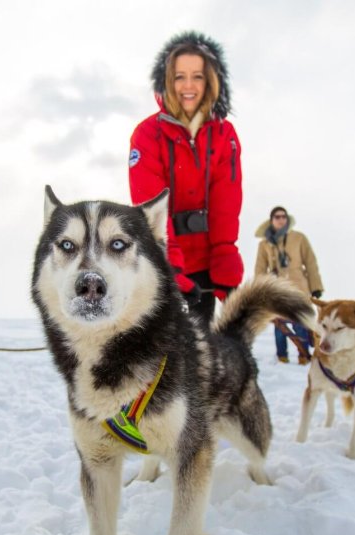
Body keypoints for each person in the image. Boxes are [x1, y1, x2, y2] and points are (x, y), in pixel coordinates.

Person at [129, 31, 244, 326]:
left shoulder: (225, 135)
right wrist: (171, 266)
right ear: (167, 81)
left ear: (211, 81)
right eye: (180, 77)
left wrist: (224, 257)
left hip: (205, 266)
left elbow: (225, 201)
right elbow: (152, 207)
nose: (188, 86)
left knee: (202, 343)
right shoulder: (147, 135)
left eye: (198, 76)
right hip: (165, 264)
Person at [254, 206, 324, 364]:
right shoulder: (264, 244)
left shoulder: (299, 238)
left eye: (283, 216)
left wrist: (316, 287)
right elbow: (260, 269)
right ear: (271, 220)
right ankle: (282, 357)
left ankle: (304, 355)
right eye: (277, 217)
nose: (281, 219)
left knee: (300, 322)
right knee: (279, 324)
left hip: (299, 287)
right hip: (277, 288)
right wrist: (260, 292)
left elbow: (311, 262)